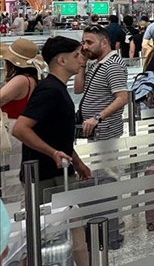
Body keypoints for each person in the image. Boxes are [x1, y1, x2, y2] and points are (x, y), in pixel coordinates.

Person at [12, 36, 91, 265]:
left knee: (74, 232)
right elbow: (20, 128)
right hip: (45, 178)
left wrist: (77, 162)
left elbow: (56, 135)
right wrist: (52, 153)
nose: (82, 59)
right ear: (61, 60)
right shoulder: (49, 91)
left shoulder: (57, 89)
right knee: (39, 238)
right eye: (76, 55)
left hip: (58, 174)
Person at [0, 38, 47, 198]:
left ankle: (13, 211)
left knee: (10, 179)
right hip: (19, 130)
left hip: (11, 131)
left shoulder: (20, 80)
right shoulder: (31, 79)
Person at [74, 24, 129, 140]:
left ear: (104, 43)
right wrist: (82, 63)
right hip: (93, 130)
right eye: (83, 42)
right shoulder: (97, 64)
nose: (85, 47)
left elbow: (123, 98)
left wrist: (97, 118)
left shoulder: (113, 65)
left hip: (106, 131)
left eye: (89, 42)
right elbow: (78, 89)